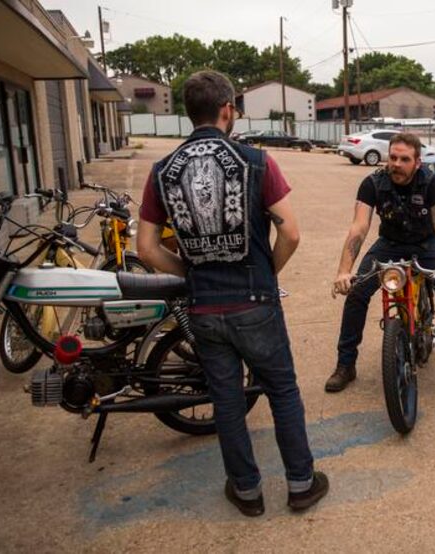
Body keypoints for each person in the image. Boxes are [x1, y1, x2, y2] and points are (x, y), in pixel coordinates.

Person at [137, 70, 327, 517]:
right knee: (281, 391)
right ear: (227, 110)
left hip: (204, 306)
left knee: (227, 400)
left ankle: (246, 491)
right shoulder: (256, 161)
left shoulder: (162, 171)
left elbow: (145, 248)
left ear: (189, 113)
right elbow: (292, 233)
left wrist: (189, 274)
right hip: (255, 300)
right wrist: (266, 272)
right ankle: (300, 483)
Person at [329, 133, 435, 402]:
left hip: (427, 245)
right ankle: (346, 365)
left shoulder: (432, 182)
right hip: (389, 244)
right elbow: (359, 226)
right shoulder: (373, 183)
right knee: (356, 293)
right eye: (393, 157)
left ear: (417, 162)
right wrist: (344, 271)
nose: (397, 164)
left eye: (404, 159)